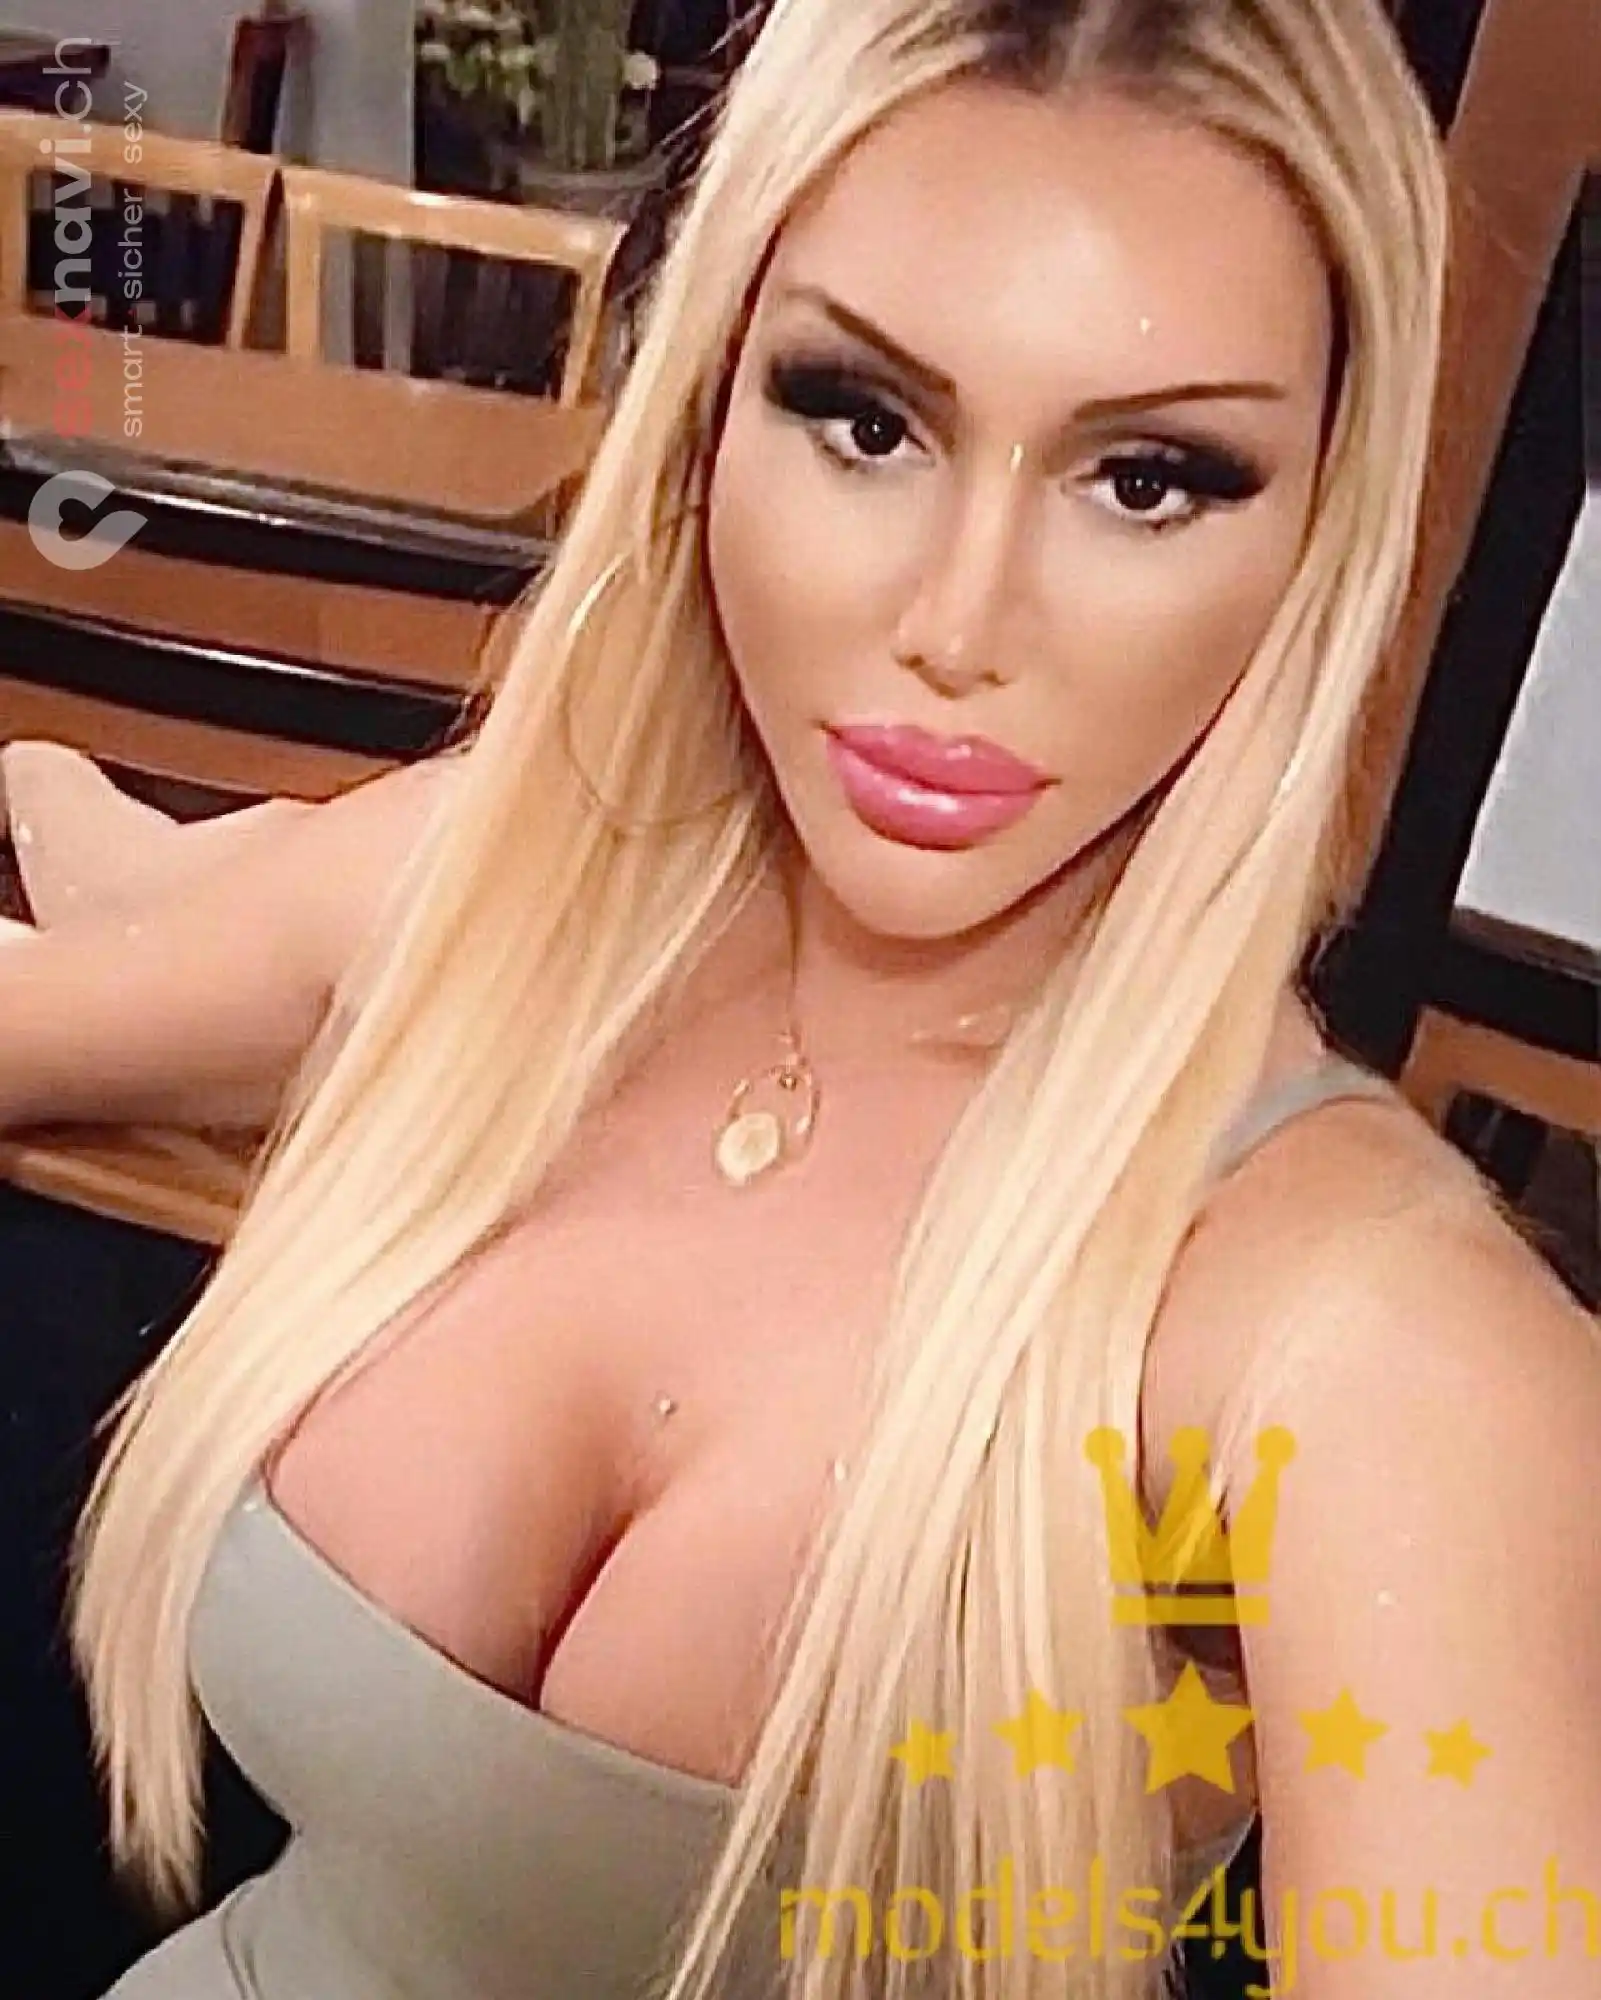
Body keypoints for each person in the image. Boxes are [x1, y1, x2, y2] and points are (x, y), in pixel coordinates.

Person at [3, 1, 1597, 1995]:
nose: (956, 624)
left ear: (1321, 529)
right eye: (863, 418)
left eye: (1149, 479)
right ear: (709, 400)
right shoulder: (524, 899)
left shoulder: (1364, 1342)